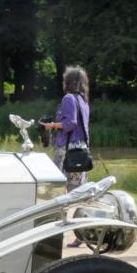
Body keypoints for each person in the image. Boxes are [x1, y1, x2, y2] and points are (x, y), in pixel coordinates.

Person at [41, 66, 91, 196]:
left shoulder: (68, 98)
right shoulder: (84, 101)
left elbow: (70, 123)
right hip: (81, 150)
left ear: (68, 81)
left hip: (67, 150)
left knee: (56, 187)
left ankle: (58, 215)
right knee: (76, 190)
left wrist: (50, 126)